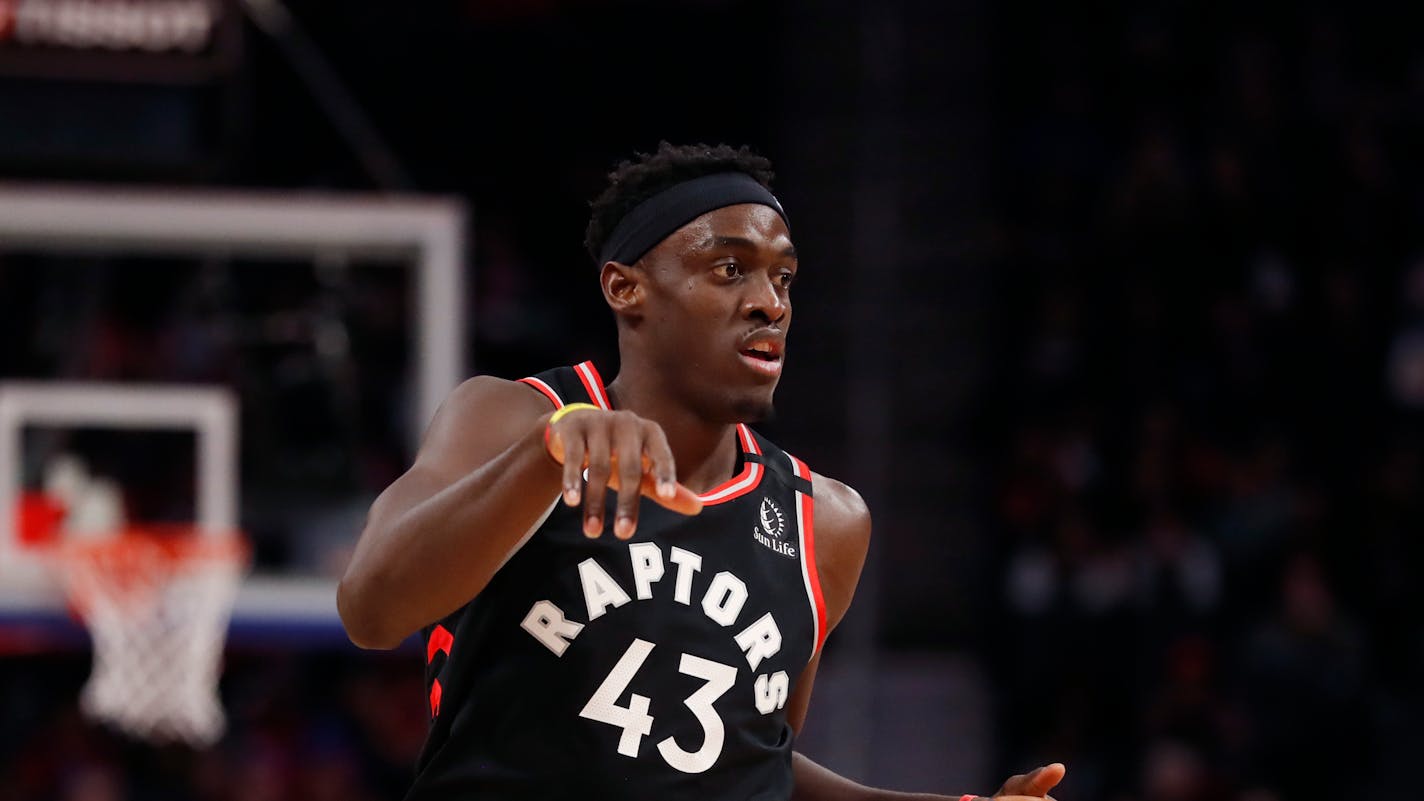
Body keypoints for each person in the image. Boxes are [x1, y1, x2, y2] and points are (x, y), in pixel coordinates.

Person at [337, 142, 1068, 801]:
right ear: (626, 288)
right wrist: (545, 454)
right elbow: (373, 612)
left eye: (785, 277)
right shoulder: (515, 419)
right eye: (729, 269)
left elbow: (749, 759)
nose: (769, 303)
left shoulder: (827, 522)